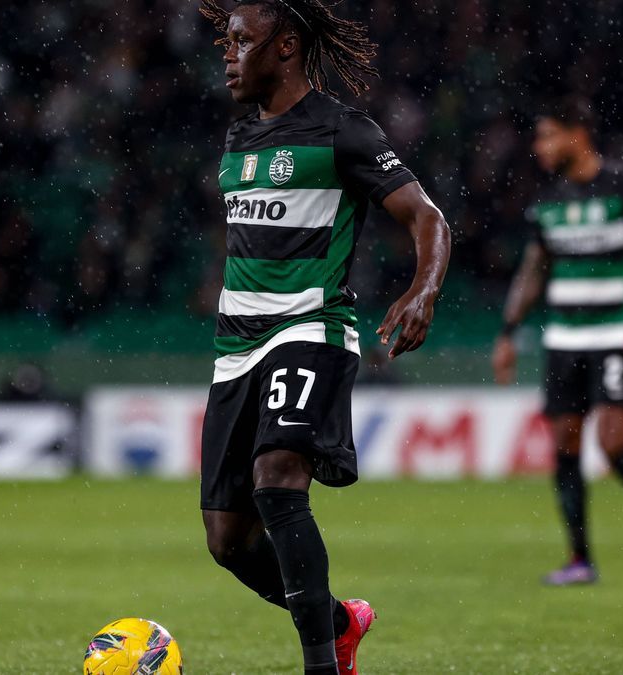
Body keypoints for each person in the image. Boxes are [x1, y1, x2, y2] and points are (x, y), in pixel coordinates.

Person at [197, 1, 451, 672]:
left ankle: (322, 667)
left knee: (278, 478)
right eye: (226, 41)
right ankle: (340, 621)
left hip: (310, 327)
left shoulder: (345, 132)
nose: (227, 53)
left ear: (283, 48)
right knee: (226, 539)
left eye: (241, 40)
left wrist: (423, 288)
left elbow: (427, 217)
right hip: (234, 350)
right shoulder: (238, 139)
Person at [491, 96, 623, 586]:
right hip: (564, 339)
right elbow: (533, 271)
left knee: (612, 441)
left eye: (549, 135)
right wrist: (509, 332)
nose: (540, 147)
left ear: (578, 133)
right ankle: (580, 559)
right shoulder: (548, 200)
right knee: (565, 444)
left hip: (613, 332)